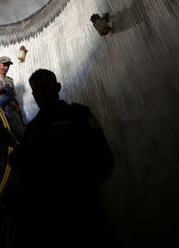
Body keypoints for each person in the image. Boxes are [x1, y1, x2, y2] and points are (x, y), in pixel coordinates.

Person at [10, 69, 115, 247]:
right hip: (49, 220)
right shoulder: (33, 129)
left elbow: (104, 158)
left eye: (45, 87)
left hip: (84, 213)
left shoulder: (79, 114)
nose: (41, 94)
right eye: (36, 90)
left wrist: (81, 187)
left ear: (57, 87)